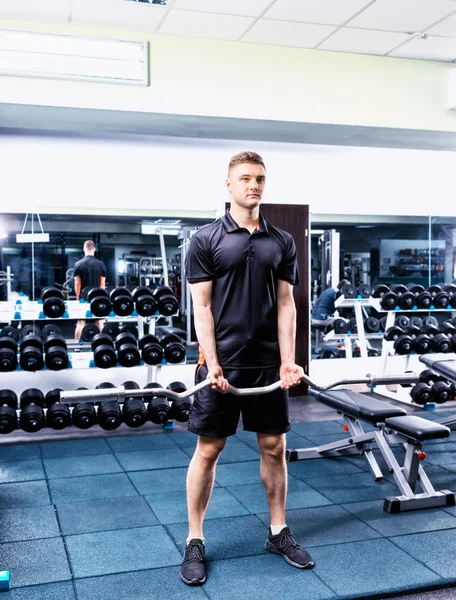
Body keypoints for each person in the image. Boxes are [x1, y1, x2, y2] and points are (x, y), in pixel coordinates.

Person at [181, 151, 314, 587]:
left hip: (266, 366)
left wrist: (289, 360)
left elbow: (285, 304)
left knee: (273, 446)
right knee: (209, 449)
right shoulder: (205, 239)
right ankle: (194, 540)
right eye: (244, 178)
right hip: (220, 364)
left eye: (259, 179)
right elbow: (201, 307)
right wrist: (212, 362)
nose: (253, 185)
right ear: (228, 184)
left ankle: (278, 532)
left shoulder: (282, 241)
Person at [73, 240, 106, 340]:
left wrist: (78, 297)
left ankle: (76, 347)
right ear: (94, 249)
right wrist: (102, 297)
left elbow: (77, 284)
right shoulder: (101, 265)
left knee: (80, 322)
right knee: (99, 322)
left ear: (84, 249)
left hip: (83, 298)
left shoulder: (78, 264)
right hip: (97, 297)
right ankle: (103, 343)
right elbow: (102, 284)